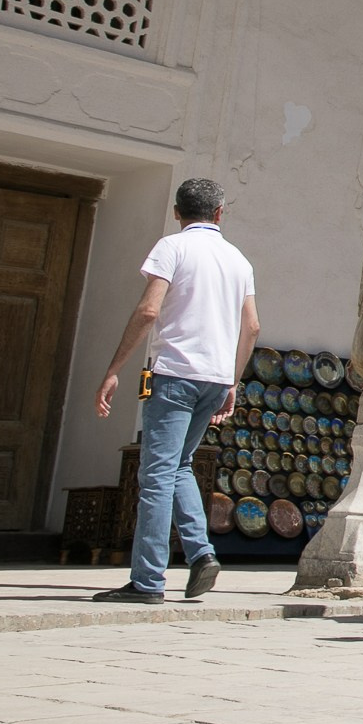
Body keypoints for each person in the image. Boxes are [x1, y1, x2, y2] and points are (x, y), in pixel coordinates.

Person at [92, 178, 259, 603]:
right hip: (215, 377)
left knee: (155, 477)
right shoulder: (238, 260)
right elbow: (252, 326)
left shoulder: (172, 246)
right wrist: (233, 382)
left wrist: (114, 368)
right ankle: (201, 553)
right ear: (220, 213)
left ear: (176, 211)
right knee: (180, 465)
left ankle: (148, 580)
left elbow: (149, 309)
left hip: (174, 373)